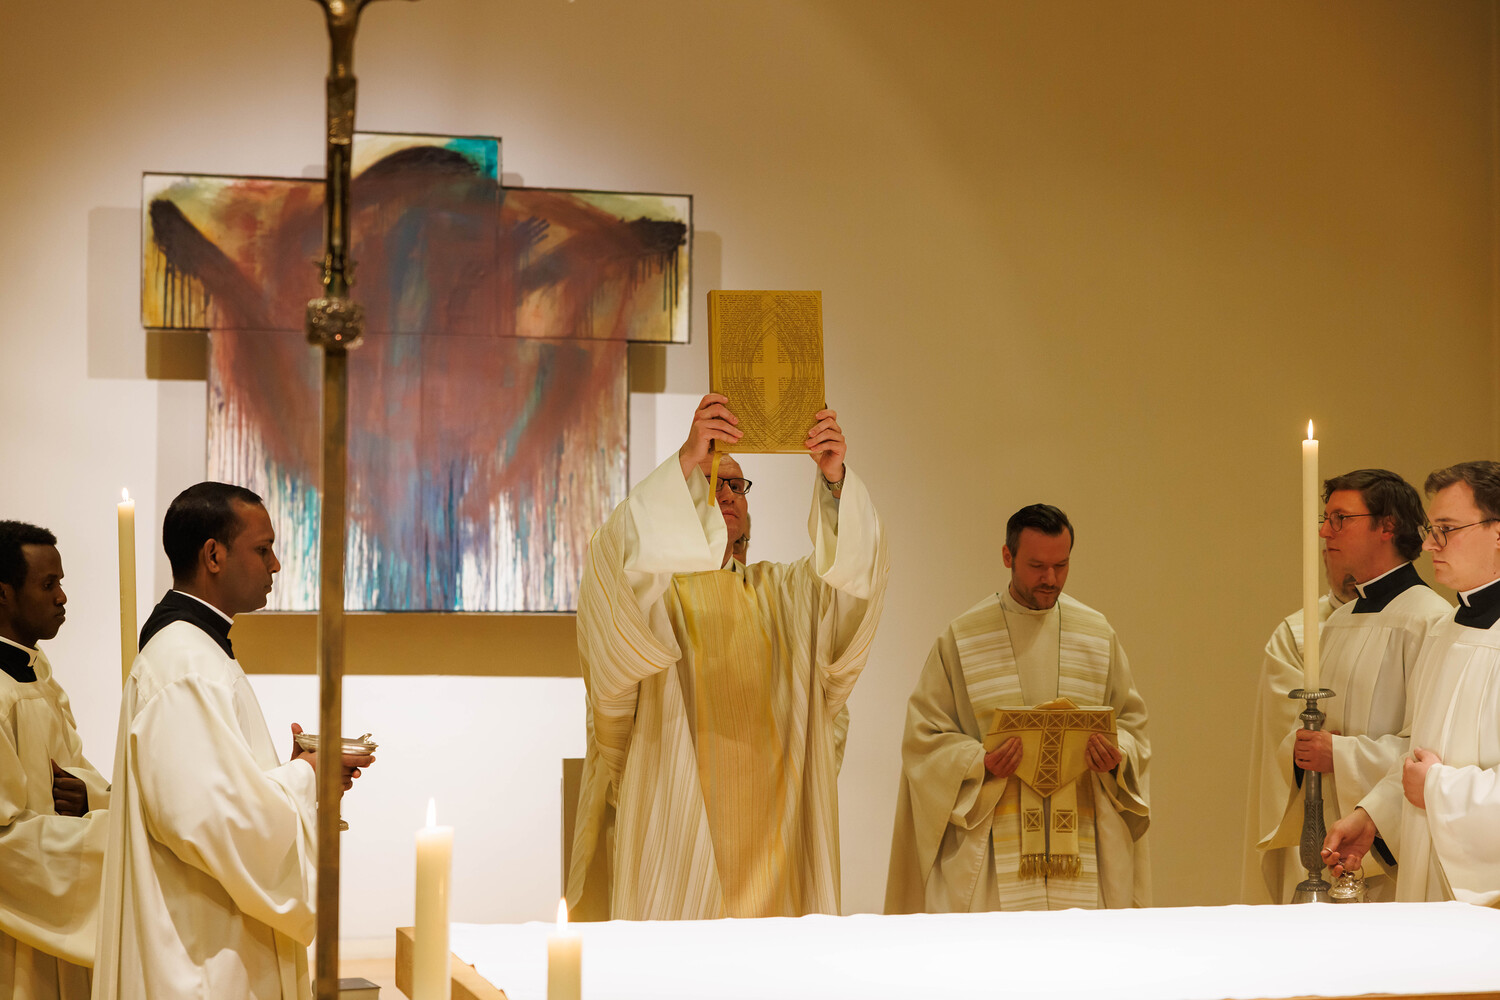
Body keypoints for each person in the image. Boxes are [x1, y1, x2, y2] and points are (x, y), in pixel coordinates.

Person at [565, 394, 888, 920]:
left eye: (737, 485)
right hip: (677, 836)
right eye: (712, 481)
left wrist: (834, 483)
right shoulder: (657, 599)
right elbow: (613, 564)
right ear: (685, 499)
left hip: (778, 846)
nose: (728, 494)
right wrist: (685, 459)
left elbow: (853, 586)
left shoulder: (784, 595)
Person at [92, 483, 375, 1000]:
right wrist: (306, 776)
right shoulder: (185, 664)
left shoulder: (196, 652)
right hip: (202, 958)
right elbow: (214, 820)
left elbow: (217, 794)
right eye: (263, 549)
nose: (275, 565)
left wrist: (290, 775)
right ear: (214, 555)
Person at [885, 504, 1149, 912]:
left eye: (1061, 565)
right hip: (995, 848)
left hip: (1083, 844)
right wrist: (980, 763)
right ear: (1008, 557)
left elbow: (1131, 725)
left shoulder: (1096, 635)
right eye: (1037, 566)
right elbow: (925, 739)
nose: (1051, 579)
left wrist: (1117, 756)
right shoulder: (964, 638)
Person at [1243, 470, 1450, 903]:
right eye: (1326, 519)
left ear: (1387, 526)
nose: (1324, 532)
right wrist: (1302, 749)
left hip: (1389, 857)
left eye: (1340, 519)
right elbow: (1308, 736)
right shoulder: (1337, 623)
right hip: (1331, 845)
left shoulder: (1430, 621)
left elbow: (1433, 751)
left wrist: (1340, 754)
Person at [1323, 461, 1500, 904]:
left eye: (1446, 529)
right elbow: (1417, 755)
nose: (1427, 544)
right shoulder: (1444, 631)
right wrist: (1371, 816)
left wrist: (1438, 789)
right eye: (1430, 529)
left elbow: (1428, 777)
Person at [0, 522, 110, 1000]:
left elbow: (77, 769)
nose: (62, 597)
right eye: (48, 585)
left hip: (57, 917)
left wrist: (92, 798)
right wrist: (106, 837)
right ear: (3, 593)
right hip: (18, 929)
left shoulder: (39, 678)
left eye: (61, 583)